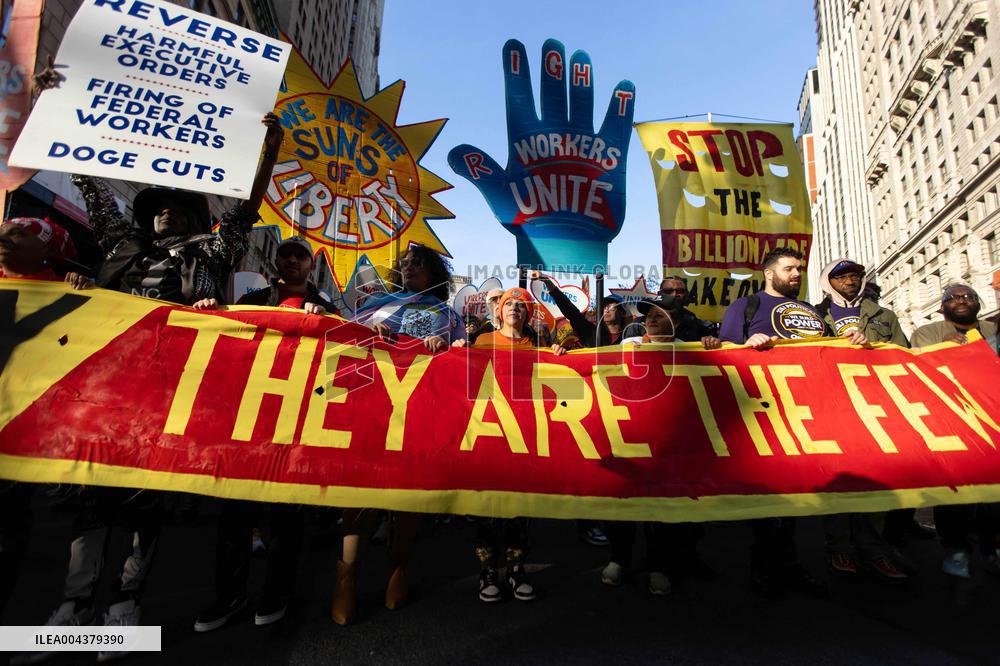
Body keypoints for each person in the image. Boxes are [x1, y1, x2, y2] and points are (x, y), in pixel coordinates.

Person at [24, 114, 285, 661]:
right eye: (157, 207)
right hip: (106, 383)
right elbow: (92, 187)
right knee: (89, 495)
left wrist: (269, 148)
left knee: (144, 497)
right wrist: (54, 107)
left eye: (176, 206)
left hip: (168, 388)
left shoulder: (211, 253)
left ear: (192, 216)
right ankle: (70, 615)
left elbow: (246, 210)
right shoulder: (123, 250)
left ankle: (124, 609)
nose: (164, 211)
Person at [190, 236, 331, 633]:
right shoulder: (250, 299)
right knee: (234, 516)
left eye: (299, 256)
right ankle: (229, 595)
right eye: (284, 254)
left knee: (286, 518)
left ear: (311, 265)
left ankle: (277, 592)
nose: (290, 261)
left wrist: (323, 319)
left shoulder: (327, 308)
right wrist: (209, 311)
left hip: (295, 427)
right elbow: (221, 332)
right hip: (245, 423)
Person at [719, 247, 867, 597]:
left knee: (796, 497)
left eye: (799, 268)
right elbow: (723, 348)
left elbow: (827, 352)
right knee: (772, 498)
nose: (797, 274)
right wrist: (746, 343)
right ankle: (764, 571)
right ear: (769, 273)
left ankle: (789, 565)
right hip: (767, 413)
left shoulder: (812, 310)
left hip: (811, 413)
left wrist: (855, 343)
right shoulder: (747, 306)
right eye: (789, 268)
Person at [330, 244, 465, 625]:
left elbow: (462, 362)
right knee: (358, 490)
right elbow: (340, 336)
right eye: (405, 263)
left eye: (418, 263)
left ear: (433, 271)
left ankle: (399, 566)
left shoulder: (448, 314)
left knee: (408, 491)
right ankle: (347, 576)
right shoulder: (377, 303)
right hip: (370, 404)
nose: (409, 268)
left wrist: (446, 350)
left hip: (420, 407)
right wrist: (362, 331)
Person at [0, 217, 89, 620]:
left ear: (48, 250)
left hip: (19, 435)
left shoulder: (69, 296)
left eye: (20, 233)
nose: (5, 238)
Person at [602, 298, 720, 595]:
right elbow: (592, 365)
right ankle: (619, 559)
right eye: (649, 316)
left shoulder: (687, 348)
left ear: (675, 322)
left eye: (659, 315)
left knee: (663, 508)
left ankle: (660, 566)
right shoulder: (629, 343)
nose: (651, 320)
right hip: (629, 436)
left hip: (670, 442)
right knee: (624, 503)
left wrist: (714, 347)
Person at [456, 288, 565, 602]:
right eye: (508, 304)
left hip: (524, 436)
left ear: (527, 314)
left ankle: (517, 570)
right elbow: (465, 381)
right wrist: (458, 349)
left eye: (520, 305)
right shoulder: (481, 342)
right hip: (489, 434)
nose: (514, 308)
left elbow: (561, 384)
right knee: (487, 508)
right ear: (499, 311)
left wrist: (560, 357)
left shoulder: (539, 346)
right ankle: (488, 570)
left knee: (519, 509)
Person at [814, 258, 909, 581]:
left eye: (855, 275)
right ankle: (839, 546)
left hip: (875, 407)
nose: (850, 281)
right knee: (839, 479)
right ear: (828, 281)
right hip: (832, 407)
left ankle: (874, 548)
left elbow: (904, 357)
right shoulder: (813, 315)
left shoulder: (885, 316)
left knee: (875, 480)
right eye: (841, 276)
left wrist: (875, 349)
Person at [911, 284, 999, 581]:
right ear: (942, 306)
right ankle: (955, 550)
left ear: (978, 303)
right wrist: (942, 348)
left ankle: (991, 547)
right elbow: (914, 367)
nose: (962, 301)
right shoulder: (929, 333)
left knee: (994, 492)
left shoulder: (992, 328)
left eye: (968, 297)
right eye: (954, 297)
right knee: (954, 491)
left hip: (991, 419)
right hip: (951, 421)